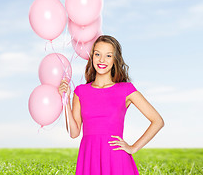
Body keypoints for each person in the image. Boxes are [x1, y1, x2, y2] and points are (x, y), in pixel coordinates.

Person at [59, 35, 164, 175]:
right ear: (92, 57)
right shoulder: (80, 92)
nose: (102, 60)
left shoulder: (126, 89)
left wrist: (133, 148)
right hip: (89, 158)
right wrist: (65, 100)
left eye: (108, 55)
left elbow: (158, 121)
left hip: (116, 159)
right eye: (97, 54)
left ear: (115, 59)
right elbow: (74, 133)